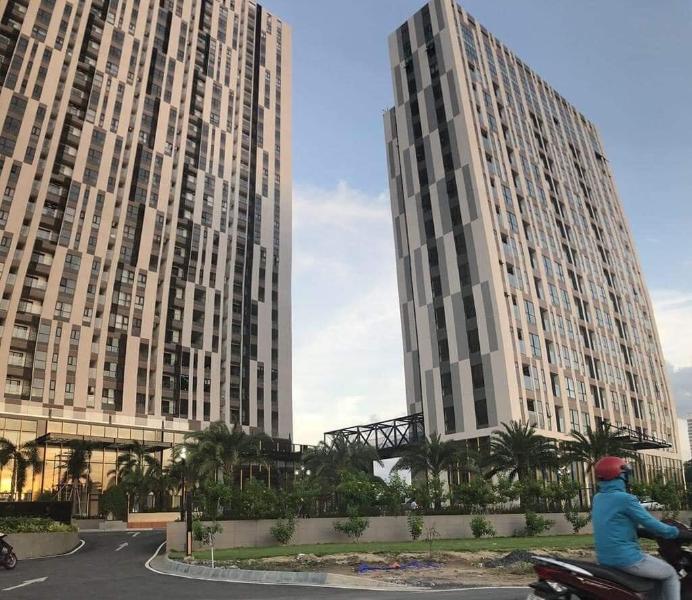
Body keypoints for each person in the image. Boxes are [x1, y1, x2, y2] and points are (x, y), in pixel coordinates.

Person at [592, 456, 680, 600]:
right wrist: (675, 532)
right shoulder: (625, 499)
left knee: (656, 577)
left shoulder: (598, 498)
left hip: (605, 558)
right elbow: (650, 522)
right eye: (626, 474)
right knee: (670, 574)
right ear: (620, 475)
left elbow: (613, 523)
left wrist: (637, 531)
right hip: (627, 559)